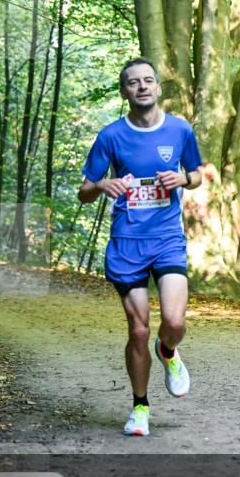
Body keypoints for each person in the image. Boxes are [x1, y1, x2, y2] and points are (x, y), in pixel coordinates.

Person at [77, 58, 215, 437]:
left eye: (148, 81)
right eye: (133, 82)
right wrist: (103, 185)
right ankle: (140, 406)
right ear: (124, 91)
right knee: (137, 331)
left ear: (157, 88)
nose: (142, 87)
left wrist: (182, 178)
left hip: (167, 239)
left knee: (173, 321)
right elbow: (84, 191)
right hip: (126, 244)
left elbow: (199, 174)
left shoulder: (179, 129)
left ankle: (168, 351)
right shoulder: (110, 136)